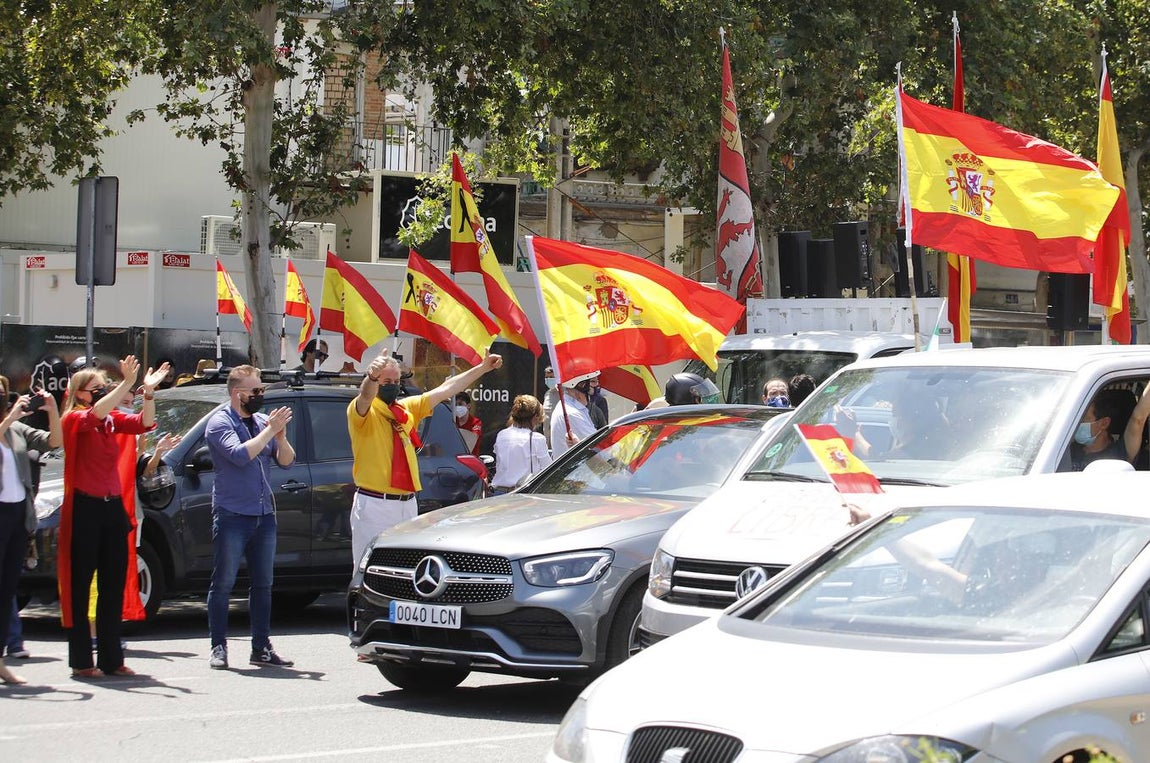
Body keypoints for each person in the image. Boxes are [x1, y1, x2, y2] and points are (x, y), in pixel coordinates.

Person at [60, 356, 167, 679]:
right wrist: (123, 383)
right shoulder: (75, 419)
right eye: (98, 388)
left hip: (111, 508)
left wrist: (147, 393)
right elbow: (96, 413)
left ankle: (111, 658)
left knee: (113, 584)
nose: (103, 392)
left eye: (104, 387)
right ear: (80, 393)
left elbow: (144, 423)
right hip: (85, 509)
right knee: (80, 586)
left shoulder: (111, 420)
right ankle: (81, 661)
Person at [348, 352, 503, 565]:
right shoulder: (364, 411)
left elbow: (446, 389)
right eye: (386, 381)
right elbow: (365, 396)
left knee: (403, 568)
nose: (392, 386)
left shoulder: (405, 409)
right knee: (369, 567)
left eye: (396, 381)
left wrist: (482, 368)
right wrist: (371, 378)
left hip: (407, 502)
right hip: (376, 504)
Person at [205, 365, 296, 670]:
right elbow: (241, 455)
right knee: (223, 583)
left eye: (261, 390)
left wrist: (280, 438)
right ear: (237, 393)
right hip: (232, 513)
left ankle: (262, 647)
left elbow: (286, 461)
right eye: (255, 391)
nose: (260, 396)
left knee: (263, 584)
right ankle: (218, 646)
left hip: (263, 514)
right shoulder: (220, 422)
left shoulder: (260, 422)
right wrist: (271, 430)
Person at [0, 380, 61, 684]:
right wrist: (9, 417)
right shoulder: (8, 425)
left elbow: (54, 441)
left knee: (7, 588)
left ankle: (0, 659)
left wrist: (52, 410)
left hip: (16, 515)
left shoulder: (17, 431)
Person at [490, 395, 552, 494]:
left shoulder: (501, 435)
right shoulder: (537, 438)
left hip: (498, 492)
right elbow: (548, 469)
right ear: (536, 416)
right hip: (523, 493)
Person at [1068, 388, 1136, 471]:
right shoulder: (1067, 449)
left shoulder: (1119, 452)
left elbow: (1138, 419)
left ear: (1104, 423)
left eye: (1084, 419)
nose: (1077, 423)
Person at [550, 372, 601, 458]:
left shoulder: (575, 409)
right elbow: (599, 452)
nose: (597, 385)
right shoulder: (572, 414)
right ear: (581, 384)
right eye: (593, 382)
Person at [453, 391, 483, 456]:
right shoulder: (452, 421)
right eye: (455, 405)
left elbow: (471, 440)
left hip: (471, 460)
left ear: (468, 406)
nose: (457, 407)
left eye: (460, 404)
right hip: (454, 460)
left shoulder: (476, 422)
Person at [541, 366, 559, 448]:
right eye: (546, 377)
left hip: (558, 437)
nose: (548, 379)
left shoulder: (565, 394)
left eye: (551, 377)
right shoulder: (547, 394)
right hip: (547, 438)